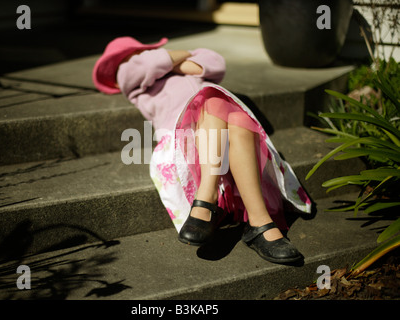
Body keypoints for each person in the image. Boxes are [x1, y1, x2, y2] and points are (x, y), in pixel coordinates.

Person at [92, 37, 312, 264]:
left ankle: (228, 207)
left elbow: (215, 61)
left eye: (140, 53)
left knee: (221, 105)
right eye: (130, 57)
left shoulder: (162, 68)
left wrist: (168, 63)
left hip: (224, 132)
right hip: (185, 137)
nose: (137, 59)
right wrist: (181, 58)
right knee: (212, 98)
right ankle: (244, 214)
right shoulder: (133, 82)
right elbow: (143, 68)